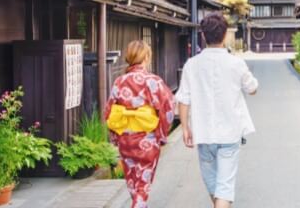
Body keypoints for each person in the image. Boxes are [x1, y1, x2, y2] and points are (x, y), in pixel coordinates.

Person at [176, 14, 259, 208]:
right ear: (224, 36)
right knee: (224, 186)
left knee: (214, 184)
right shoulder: (235, 63)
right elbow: (252, 88)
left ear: (204, 36)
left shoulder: (192, 64)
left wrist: (185, 128)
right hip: (230, 133)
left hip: (204, 133)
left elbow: (184, 98)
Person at [105, 40, 175, 208]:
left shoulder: (119, 82)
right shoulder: (153, 81)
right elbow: (168, 108)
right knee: (143, 186)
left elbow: (109, 112)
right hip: (147, 141)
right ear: (147, 57)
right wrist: (162, 134)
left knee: (133, 183)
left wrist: (115, 138)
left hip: (126, 141)